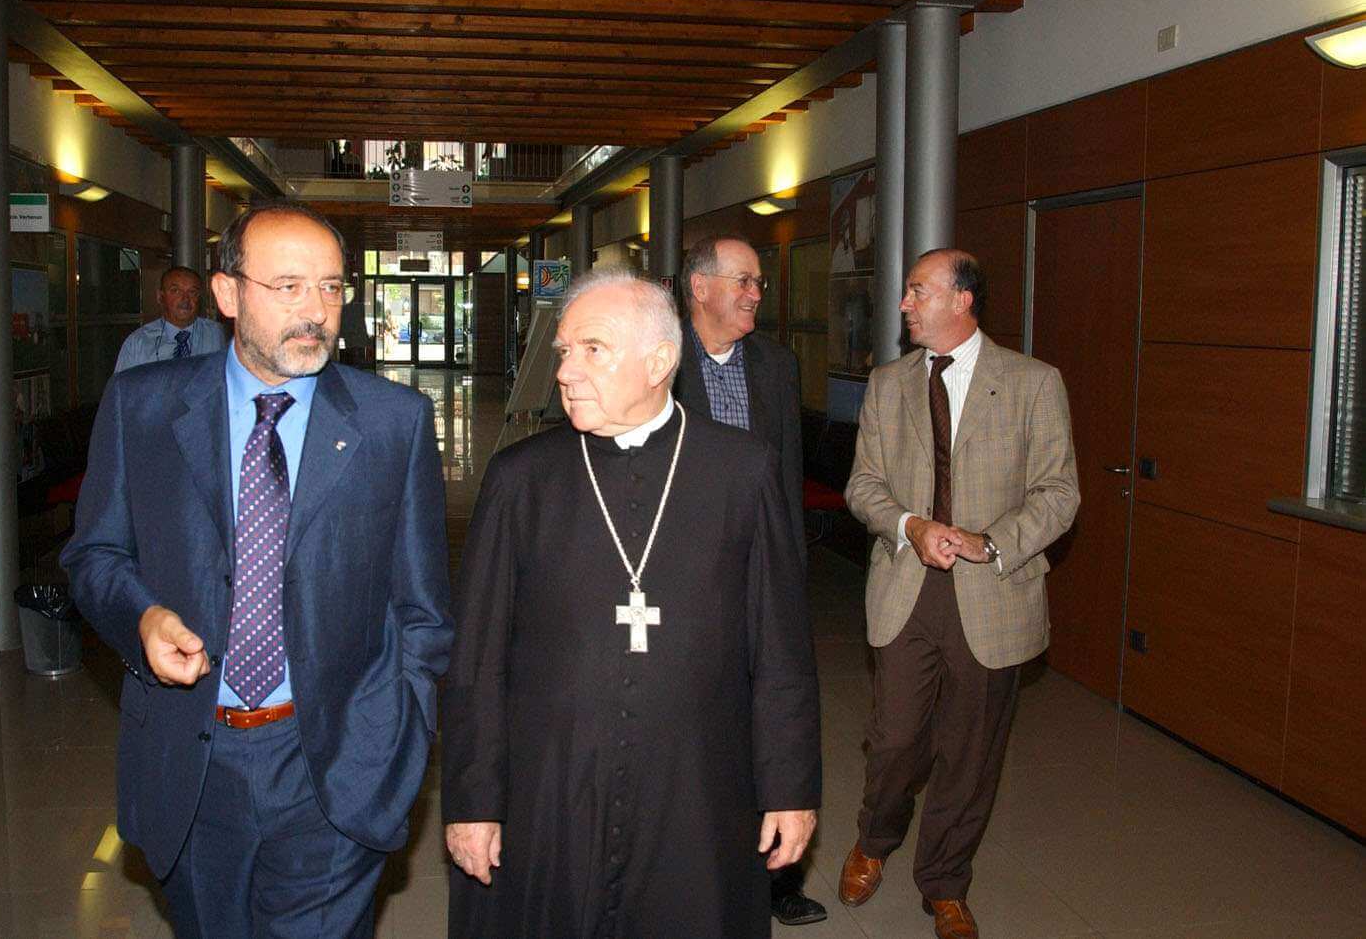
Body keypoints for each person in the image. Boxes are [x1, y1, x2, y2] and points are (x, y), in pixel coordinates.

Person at [62, 201, 452, 939]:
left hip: (333, 761)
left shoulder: (392, 422)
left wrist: (394, 739)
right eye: (289, 287)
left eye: (331, 287)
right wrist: (142, 617)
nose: (317, 311)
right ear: (228, 293)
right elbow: (94, 554)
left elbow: (423, 609)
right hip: (192, 756)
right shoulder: (143, 407)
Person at [442, 268, 820, 939]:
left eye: (593, 349)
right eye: (564, 351)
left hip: (697, 785)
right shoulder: (521, 479)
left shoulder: (743, 471)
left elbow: (781, 648)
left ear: (659, 361)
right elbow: (476, 659)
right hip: (550, 785)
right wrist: (473, 799)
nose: (565, 372)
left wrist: (790, 787)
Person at [838, 249, 1079, 939]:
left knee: (970, 753)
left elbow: (1059, 493)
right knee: (894, 740)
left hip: (992, 592)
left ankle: (945, 882)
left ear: (963, 299)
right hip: (906, 588)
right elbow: (864, 486)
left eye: (918, 291)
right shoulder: (888, 384)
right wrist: (910, 526)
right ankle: (875, 838)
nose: (905, 304)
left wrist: (991, 541)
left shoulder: (1033, 382)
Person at [677, 234, 825, 927]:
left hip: (762, 569)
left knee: (772, 722)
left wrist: (790, 572)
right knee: (696, 728)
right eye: (742, 281)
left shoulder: (776, 365)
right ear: (700, 287)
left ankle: (778, 879)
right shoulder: (660, 357)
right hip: (684, 577)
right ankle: (692, 866)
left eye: (759, 282)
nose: (755, 294)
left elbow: (787, 472)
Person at [113, 265, 224, 372]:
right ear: (160, 297)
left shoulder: (219, 335)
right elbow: (122, 384)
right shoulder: (138, 342)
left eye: (192, 292)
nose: (185, 299)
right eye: (176, 291)